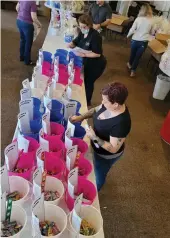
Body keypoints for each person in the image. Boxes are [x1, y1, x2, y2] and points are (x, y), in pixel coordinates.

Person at [70, 82, 131, 191]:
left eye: (105, 101)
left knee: (99, 174)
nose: (102, 102)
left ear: (116, 104)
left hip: (105, 155)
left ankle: (94, 191)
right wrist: (81, 117)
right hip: (96, 145)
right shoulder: (110, 106)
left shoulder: (121, 123)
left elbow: (113, 148)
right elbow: (96, 110)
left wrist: (94, 137)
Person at [67, 14, 107, 106]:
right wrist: (71, 44)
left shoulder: (95, 36)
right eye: (80, 26)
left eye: (84, 27)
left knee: (88, 82)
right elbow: (76, 41)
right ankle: (84, 97)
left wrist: (83, 54)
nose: (82, 28)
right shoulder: (82, 32)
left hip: (96, 64)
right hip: (86, 61)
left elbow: (97, 53)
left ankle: (87, 101)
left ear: (89, 25)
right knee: (84, 79)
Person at [127, 4, 153, 77]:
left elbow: (132, 29)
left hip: (135, 40)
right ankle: (133, 71)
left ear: (142, 10)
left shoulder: (138, 19)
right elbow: (152, 32)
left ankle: (129, 64)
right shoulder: (151, 20)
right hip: (144, 42)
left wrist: (127, 35)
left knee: (132, 54)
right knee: (137, 57)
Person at [16, 1, 41, 65]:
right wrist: (39, 24)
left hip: (19, 21)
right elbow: (34, 17)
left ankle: (21, 57)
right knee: (28, 43)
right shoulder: (32, 2)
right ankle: (27, 61)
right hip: (27, 25)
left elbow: (17, 8)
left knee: (22, 39)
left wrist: (21, 15)